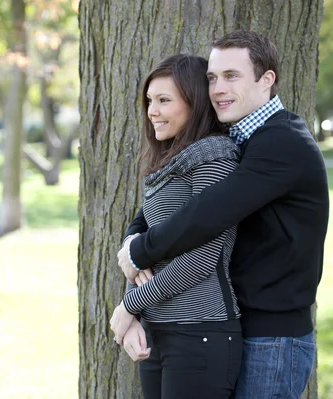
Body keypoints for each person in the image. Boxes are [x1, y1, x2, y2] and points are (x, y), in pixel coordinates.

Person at [117, 30, 329, 399]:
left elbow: (206, 214)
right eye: (213, 78)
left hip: (273, 339)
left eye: (232, 76)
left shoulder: (282, 142)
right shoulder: (239, 139)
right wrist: (133, 237)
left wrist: (139, 254)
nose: (218, 89)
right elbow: (167, 204)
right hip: (241, 326)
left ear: (267, 80)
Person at [109, 53, 243, 399]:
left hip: (200, 334)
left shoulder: (215, 159)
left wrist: (129, 307)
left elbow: (201, 259)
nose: (152, 111)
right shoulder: (169, 165)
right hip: (158, 333)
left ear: (195, 103)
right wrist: (136, 310)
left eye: (164, 100)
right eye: (150, 101)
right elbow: (143, 238)